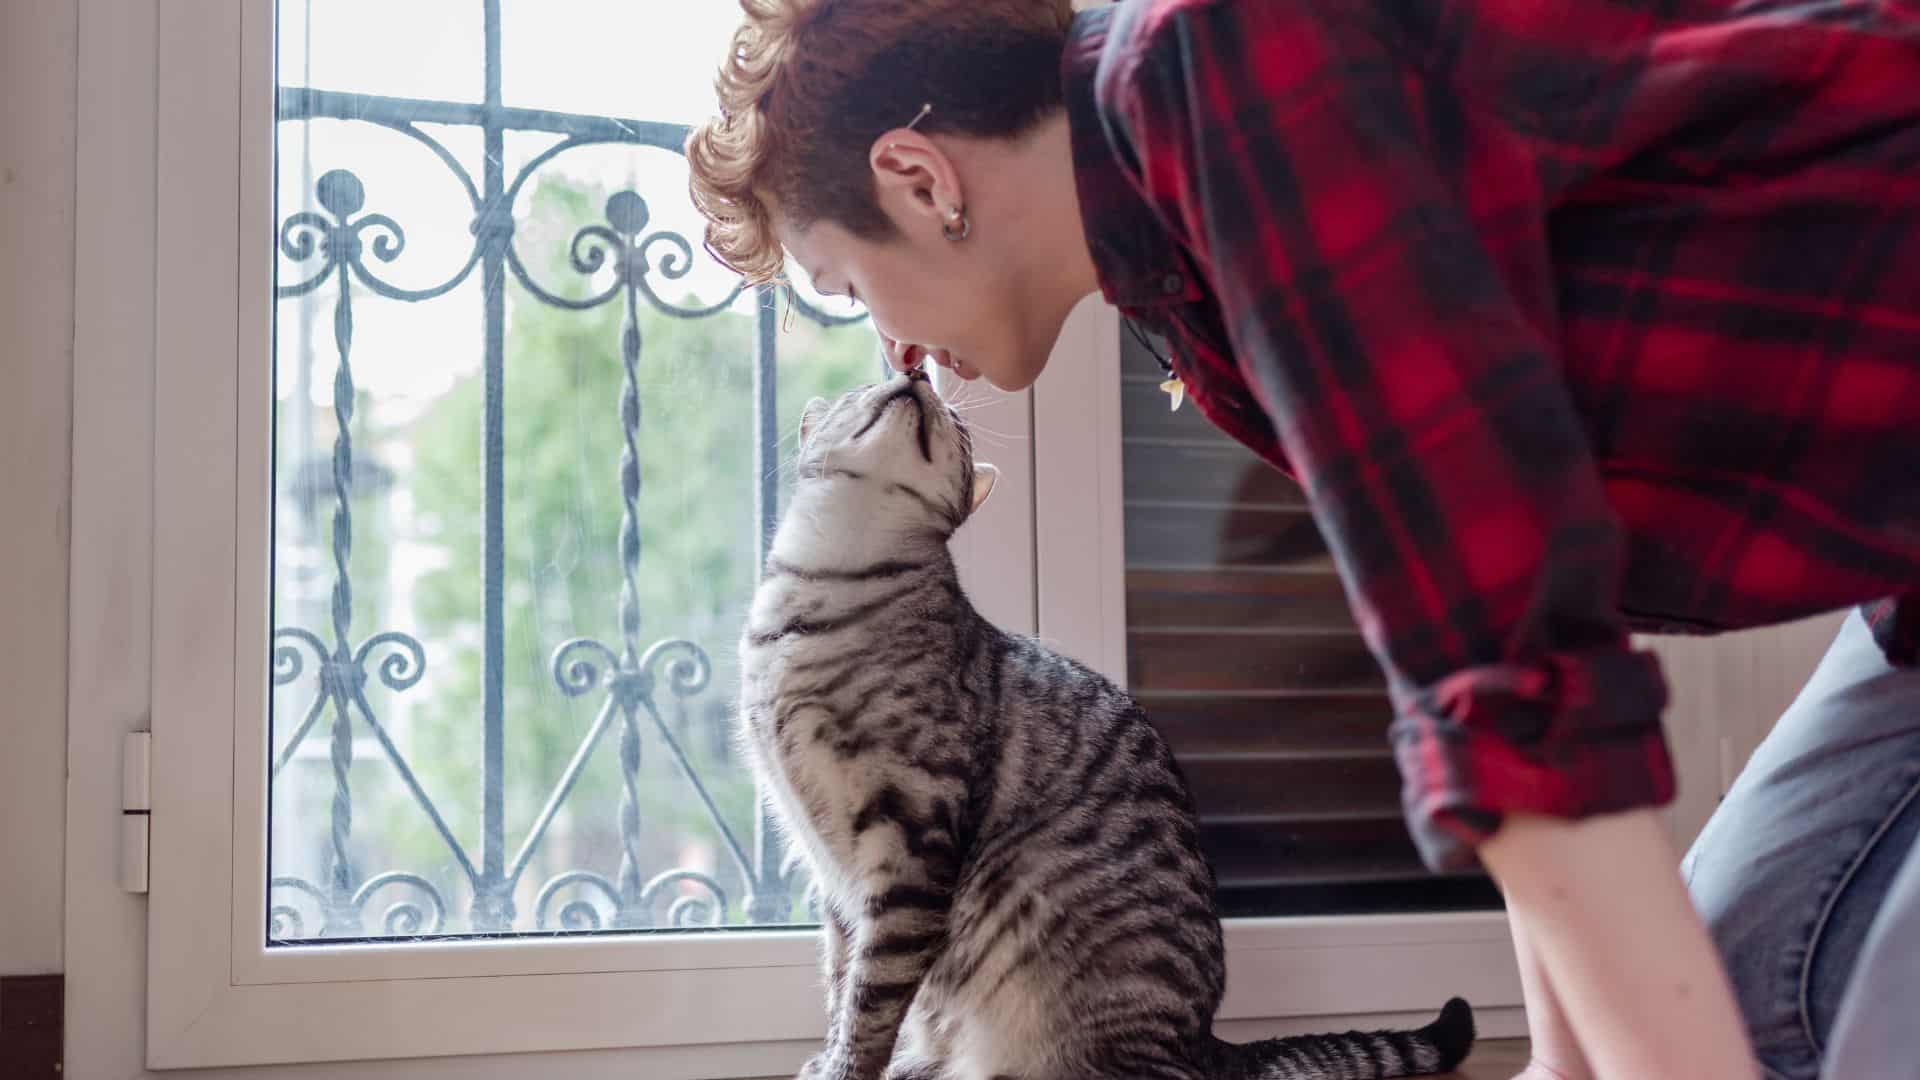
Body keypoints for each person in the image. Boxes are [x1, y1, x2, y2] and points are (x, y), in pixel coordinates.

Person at [685, 1, 1920, 1076]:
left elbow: (1514, 682)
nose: (891, 354)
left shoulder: (1229, 73)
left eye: (848, 286)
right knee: (1752, 1003)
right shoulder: (1186, 297)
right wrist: (1558, 1056)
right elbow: (1499, 615)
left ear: (920, 178)